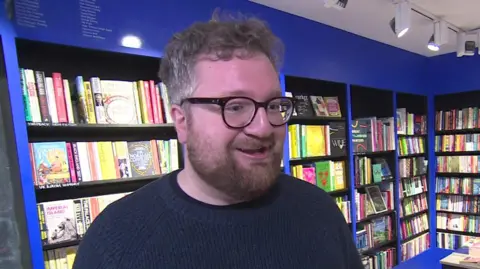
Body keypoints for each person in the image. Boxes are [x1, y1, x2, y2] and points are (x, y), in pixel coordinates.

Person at [73, 11, 364, 269]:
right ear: (182, 120)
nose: (263, 128)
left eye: (274, 105)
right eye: (235, 106)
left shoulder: (319, 210)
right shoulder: (114, 242)